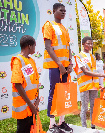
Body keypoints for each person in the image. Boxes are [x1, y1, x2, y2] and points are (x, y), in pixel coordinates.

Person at [42, 3, 73, 132]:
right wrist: (60, 64)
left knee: (63, 93)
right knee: (54, 92)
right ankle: (52, 124)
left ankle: (62, 122)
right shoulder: (49, 25)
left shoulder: (64, 29)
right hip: (55, 65)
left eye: (65, 11)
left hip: (65, 67)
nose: (64, 12)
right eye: (61, 10)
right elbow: (48, 47)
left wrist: (70, 63)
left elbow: (68, 47)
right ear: (54, 11)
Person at [74, 36, 105, 129]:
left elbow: (94, 70)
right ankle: (84, 127)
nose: (90, 45)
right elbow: (85, 72)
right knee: (84, 108)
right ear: (83, 44)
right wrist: (103, 75)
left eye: (91, 43)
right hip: (85, 85)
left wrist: (100, 83)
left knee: (94, 107)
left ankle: (93, 126)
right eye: (88, 43)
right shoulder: (78, 56)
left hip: (94, 85)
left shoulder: (93, 57)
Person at [11, 35, 39, 133]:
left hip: (32, 106)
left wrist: (37, 98)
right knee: (22, 129)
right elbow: (17, 84)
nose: (35, 49)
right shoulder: (17, 61)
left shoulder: (31, 61)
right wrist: (30, 104)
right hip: (24, 106)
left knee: (29, 129)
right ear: (29, 46)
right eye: (34, 46)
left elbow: (35, 81)